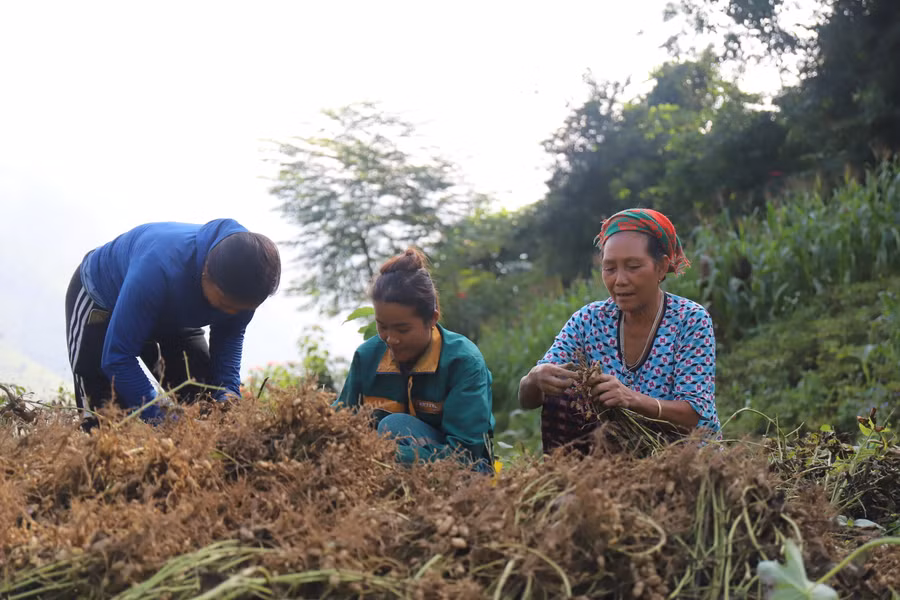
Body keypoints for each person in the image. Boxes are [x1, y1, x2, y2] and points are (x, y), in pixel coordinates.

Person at [517, 208, 720, 453]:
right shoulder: (588, 321)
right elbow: (528, 398)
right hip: (612, 456)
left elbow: (695, 415)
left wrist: (631, 399)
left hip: (682, 457)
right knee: (563, 395)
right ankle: (575, 484)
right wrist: (535, 378)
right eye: (609, 269)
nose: (620, 280)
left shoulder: (690, 320)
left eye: (633, 266)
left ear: (661, 267)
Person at [65, 218, 281, 427]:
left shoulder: (247, 282)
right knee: (105, 420)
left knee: (204, 401)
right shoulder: (158, 267)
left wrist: (228, 393)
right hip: (103, 301)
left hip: (174, 317)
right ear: (206, 271)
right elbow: (118, 358)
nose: (233, 313)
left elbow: (230, 335)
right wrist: (168, 419)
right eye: (225, 304)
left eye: (241, 309)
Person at [335, 248, 496, 473]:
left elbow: (465, 455)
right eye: (382, 326)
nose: (391, 339)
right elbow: (339, 421)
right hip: (384, 466)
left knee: (394, 426)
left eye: (402, 329)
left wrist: (379, 454)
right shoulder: (367, 357)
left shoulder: (463, 362)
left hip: (465, 471)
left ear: (432, 319)